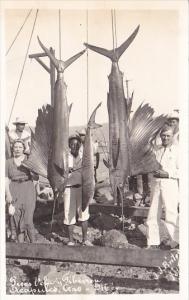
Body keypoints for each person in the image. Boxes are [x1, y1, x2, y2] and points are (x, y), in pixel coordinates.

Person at [146, 125, 179, 249]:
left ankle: (175, 242)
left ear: (172, 136)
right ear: (160, 136)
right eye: (163, 135)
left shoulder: (178, 151)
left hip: (170, 185)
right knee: (153, 214)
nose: (165, 138)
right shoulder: (156, 150)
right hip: (156, 185)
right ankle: (152, 242)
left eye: (168, 136)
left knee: (171, 214)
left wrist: (168, 174)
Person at [5, 140, 38, 243]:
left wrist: (31, 169)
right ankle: (21, 252)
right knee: (16, 219)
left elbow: (36, 177)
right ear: (12, 148)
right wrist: (8, 194)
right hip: (13, 189)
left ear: (24, 149)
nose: (18, 149)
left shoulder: (29, 160)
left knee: (28, 220)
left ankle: (34, 249)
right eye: (15, 147)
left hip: (28, 189)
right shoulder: (8, 162)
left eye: (20, 147)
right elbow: (5, 179)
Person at [63, 135, 93, 246]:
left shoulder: (84, 156)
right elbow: (61, 173)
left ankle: (85, 239)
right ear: (69, 146)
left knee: (84, 214)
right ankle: (71, 240)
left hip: (82, 188)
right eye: (72, 144)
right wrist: (67, 171)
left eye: (77, 144)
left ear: (80, 145)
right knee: (69, 215)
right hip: (68, 189)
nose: (74, 146)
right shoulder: (65, 157)